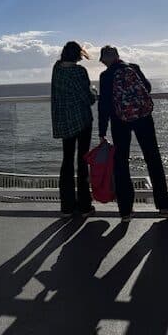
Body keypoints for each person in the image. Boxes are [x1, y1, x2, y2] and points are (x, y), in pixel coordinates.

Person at [98, 45, 168, 223]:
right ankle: (164, 207)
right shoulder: (133, 67)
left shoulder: (105, 76)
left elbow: (103, 105)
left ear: (105, 59)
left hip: (119, 122)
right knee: (153, 158)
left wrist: (102, 130)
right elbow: (147, 88)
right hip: (143, 118)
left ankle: (126, 211)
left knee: (121, 163)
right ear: (118, 55)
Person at [51, 41, 96, 218]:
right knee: (83, 161)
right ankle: (85, 206)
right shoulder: (79, 71)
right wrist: (93, 92)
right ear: (78, 54)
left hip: (64, 122)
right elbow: (88, 98)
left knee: (67, 161)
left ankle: (67, 207)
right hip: (82, 121)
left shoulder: (57, 69)